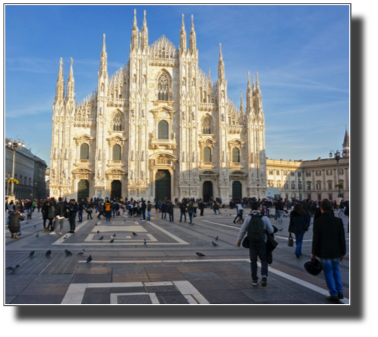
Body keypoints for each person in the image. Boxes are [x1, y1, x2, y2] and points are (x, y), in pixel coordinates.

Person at [311, 199, 346, 302]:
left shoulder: (318, 222)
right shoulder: (338, 221)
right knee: (336, 270)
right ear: (331, 209)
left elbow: (316, 238)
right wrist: (343, 252)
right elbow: (342, 238)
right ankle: (340, 291)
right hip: (336, 251)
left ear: (321, 209)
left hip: (324, 252)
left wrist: (314, 252)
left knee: (328, 273)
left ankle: (333, 294)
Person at [237, 201, 274, 287]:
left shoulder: (248, 218)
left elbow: (242, 230)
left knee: (253, 260)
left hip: (252, 242)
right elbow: (271, 230)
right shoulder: (264, 218)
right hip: (262, 242)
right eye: (260, 207)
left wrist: (239, 241)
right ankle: (264, 275)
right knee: (263, 259)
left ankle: (254, 279)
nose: (261, 208)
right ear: (258, 208)